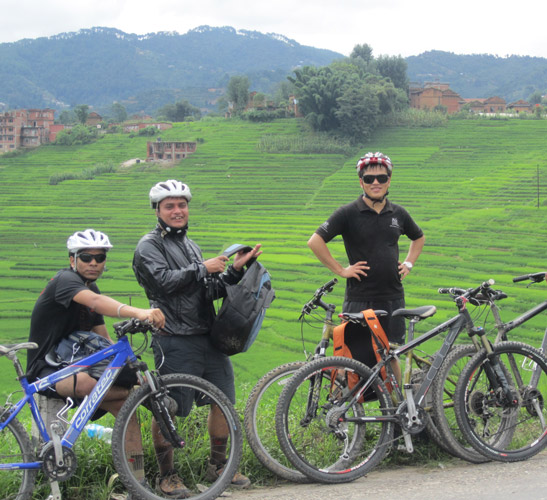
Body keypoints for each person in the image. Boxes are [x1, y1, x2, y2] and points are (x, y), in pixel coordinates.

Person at [133, 179, 261, 490]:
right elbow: (164, 282)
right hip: (174, 338)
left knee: (224, 402)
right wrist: (204, 268)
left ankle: (218, 467)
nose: (177, 211)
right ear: (158, 211)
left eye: (182, 205)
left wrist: (235, 271)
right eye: (170, 206)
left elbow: (207, 291)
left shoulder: (190, 245)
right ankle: (167, 476)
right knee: (169, 408)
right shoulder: (149, 246)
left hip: (207, 336)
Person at [26, 229, 168, 495]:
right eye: (86, 257)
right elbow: (95, 302)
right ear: (72, 260)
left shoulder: (90, 286)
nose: (93, 263)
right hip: (47, 368)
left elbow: (101, 337)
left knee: (128, 407)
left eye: (99, 258)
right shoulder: (66, 281)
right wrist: (138, 311)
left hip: (72, 364)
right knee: (90, 385)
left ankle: (137, 483)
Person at [308, 152, 425, 346]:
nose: (375, 183)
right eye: (369, 179)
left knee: (392, 352)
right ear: (361, 182)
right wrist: (341, 270)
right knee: (355, 359)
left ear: (389, 181)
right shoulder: (348, 213)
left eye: (382, 178)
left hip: (393, 298)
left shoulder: (398, 214)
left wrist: (409, 263)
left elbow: (418, 237)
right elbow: (315, 241)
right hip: (359, 299)